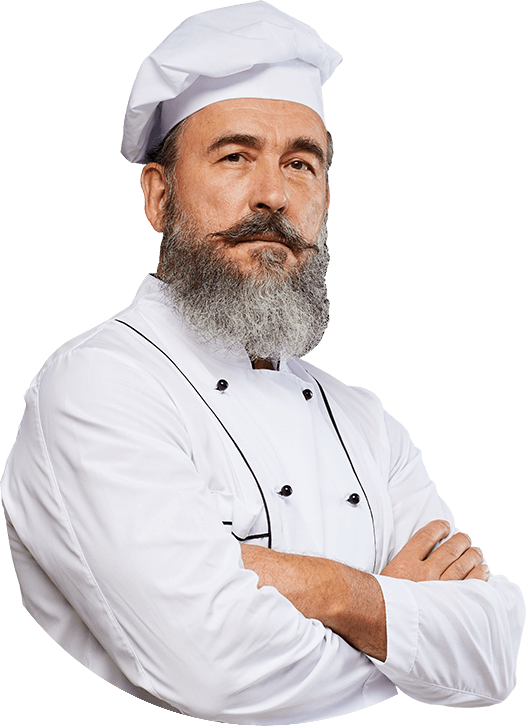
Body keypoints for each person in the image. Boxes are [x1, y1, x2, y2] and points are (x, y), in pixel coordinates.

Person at [1, 2, 524, 722]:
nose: (273, 195)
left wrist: (328, 591)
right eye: (235, 156)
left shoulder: (363, 419)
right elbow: (213, 672)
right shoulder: (98, 385)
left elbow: (491, 656)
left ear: (326, 198)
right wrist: (398, 616)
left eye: (300, 164)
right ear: (159, 196)